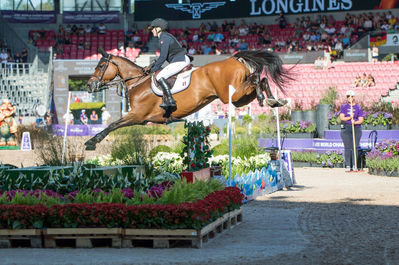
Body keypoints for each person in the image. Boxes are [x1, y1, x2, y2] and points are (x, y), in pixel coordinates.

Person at [144, 18, 190, 113]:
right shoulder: (164, 37)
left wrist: (154, 69)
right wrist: (153, 65)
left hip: (180, 60)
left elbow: (163, 57)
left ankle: (170, 100)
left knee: (160, 76)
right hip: (178, 60)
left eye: (153, 28)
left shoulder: (164, 38)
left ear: (159, 28)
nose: (151, 30)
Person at [339, 90, 364, 172]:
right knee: (347, 147)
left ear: (353, 97)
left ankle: (354, 165)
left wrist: (355, 122)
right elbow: (342, 118)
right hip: (346, 128)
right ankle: (348, 165)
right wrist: (350, 117)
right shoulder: (343, 106)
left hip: (356, 128)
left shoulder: (358, 107)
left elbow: (361, 120)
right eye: (348, 96)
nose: (349, 98)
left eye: (351, 96)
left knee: (355, 147)